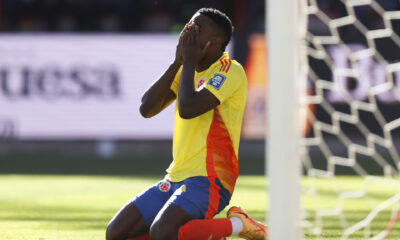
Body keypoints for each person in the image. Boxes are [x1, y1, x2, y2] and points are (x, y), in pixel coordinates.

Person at [106, 8, 266, 240]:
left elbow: (189, 109)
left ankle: (237, 225)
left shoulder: (230, 70)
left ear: (214, 42)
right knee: (116, 233)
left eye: (196, 29)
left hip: (211, 179)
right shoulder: (185, 70)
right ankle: (203, 234)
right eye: (188, 26)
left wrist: (188, 61)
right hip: (175, 177)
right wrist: (176, 63)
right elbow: (146, 109)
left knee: (162, 231)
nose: (188, 32)